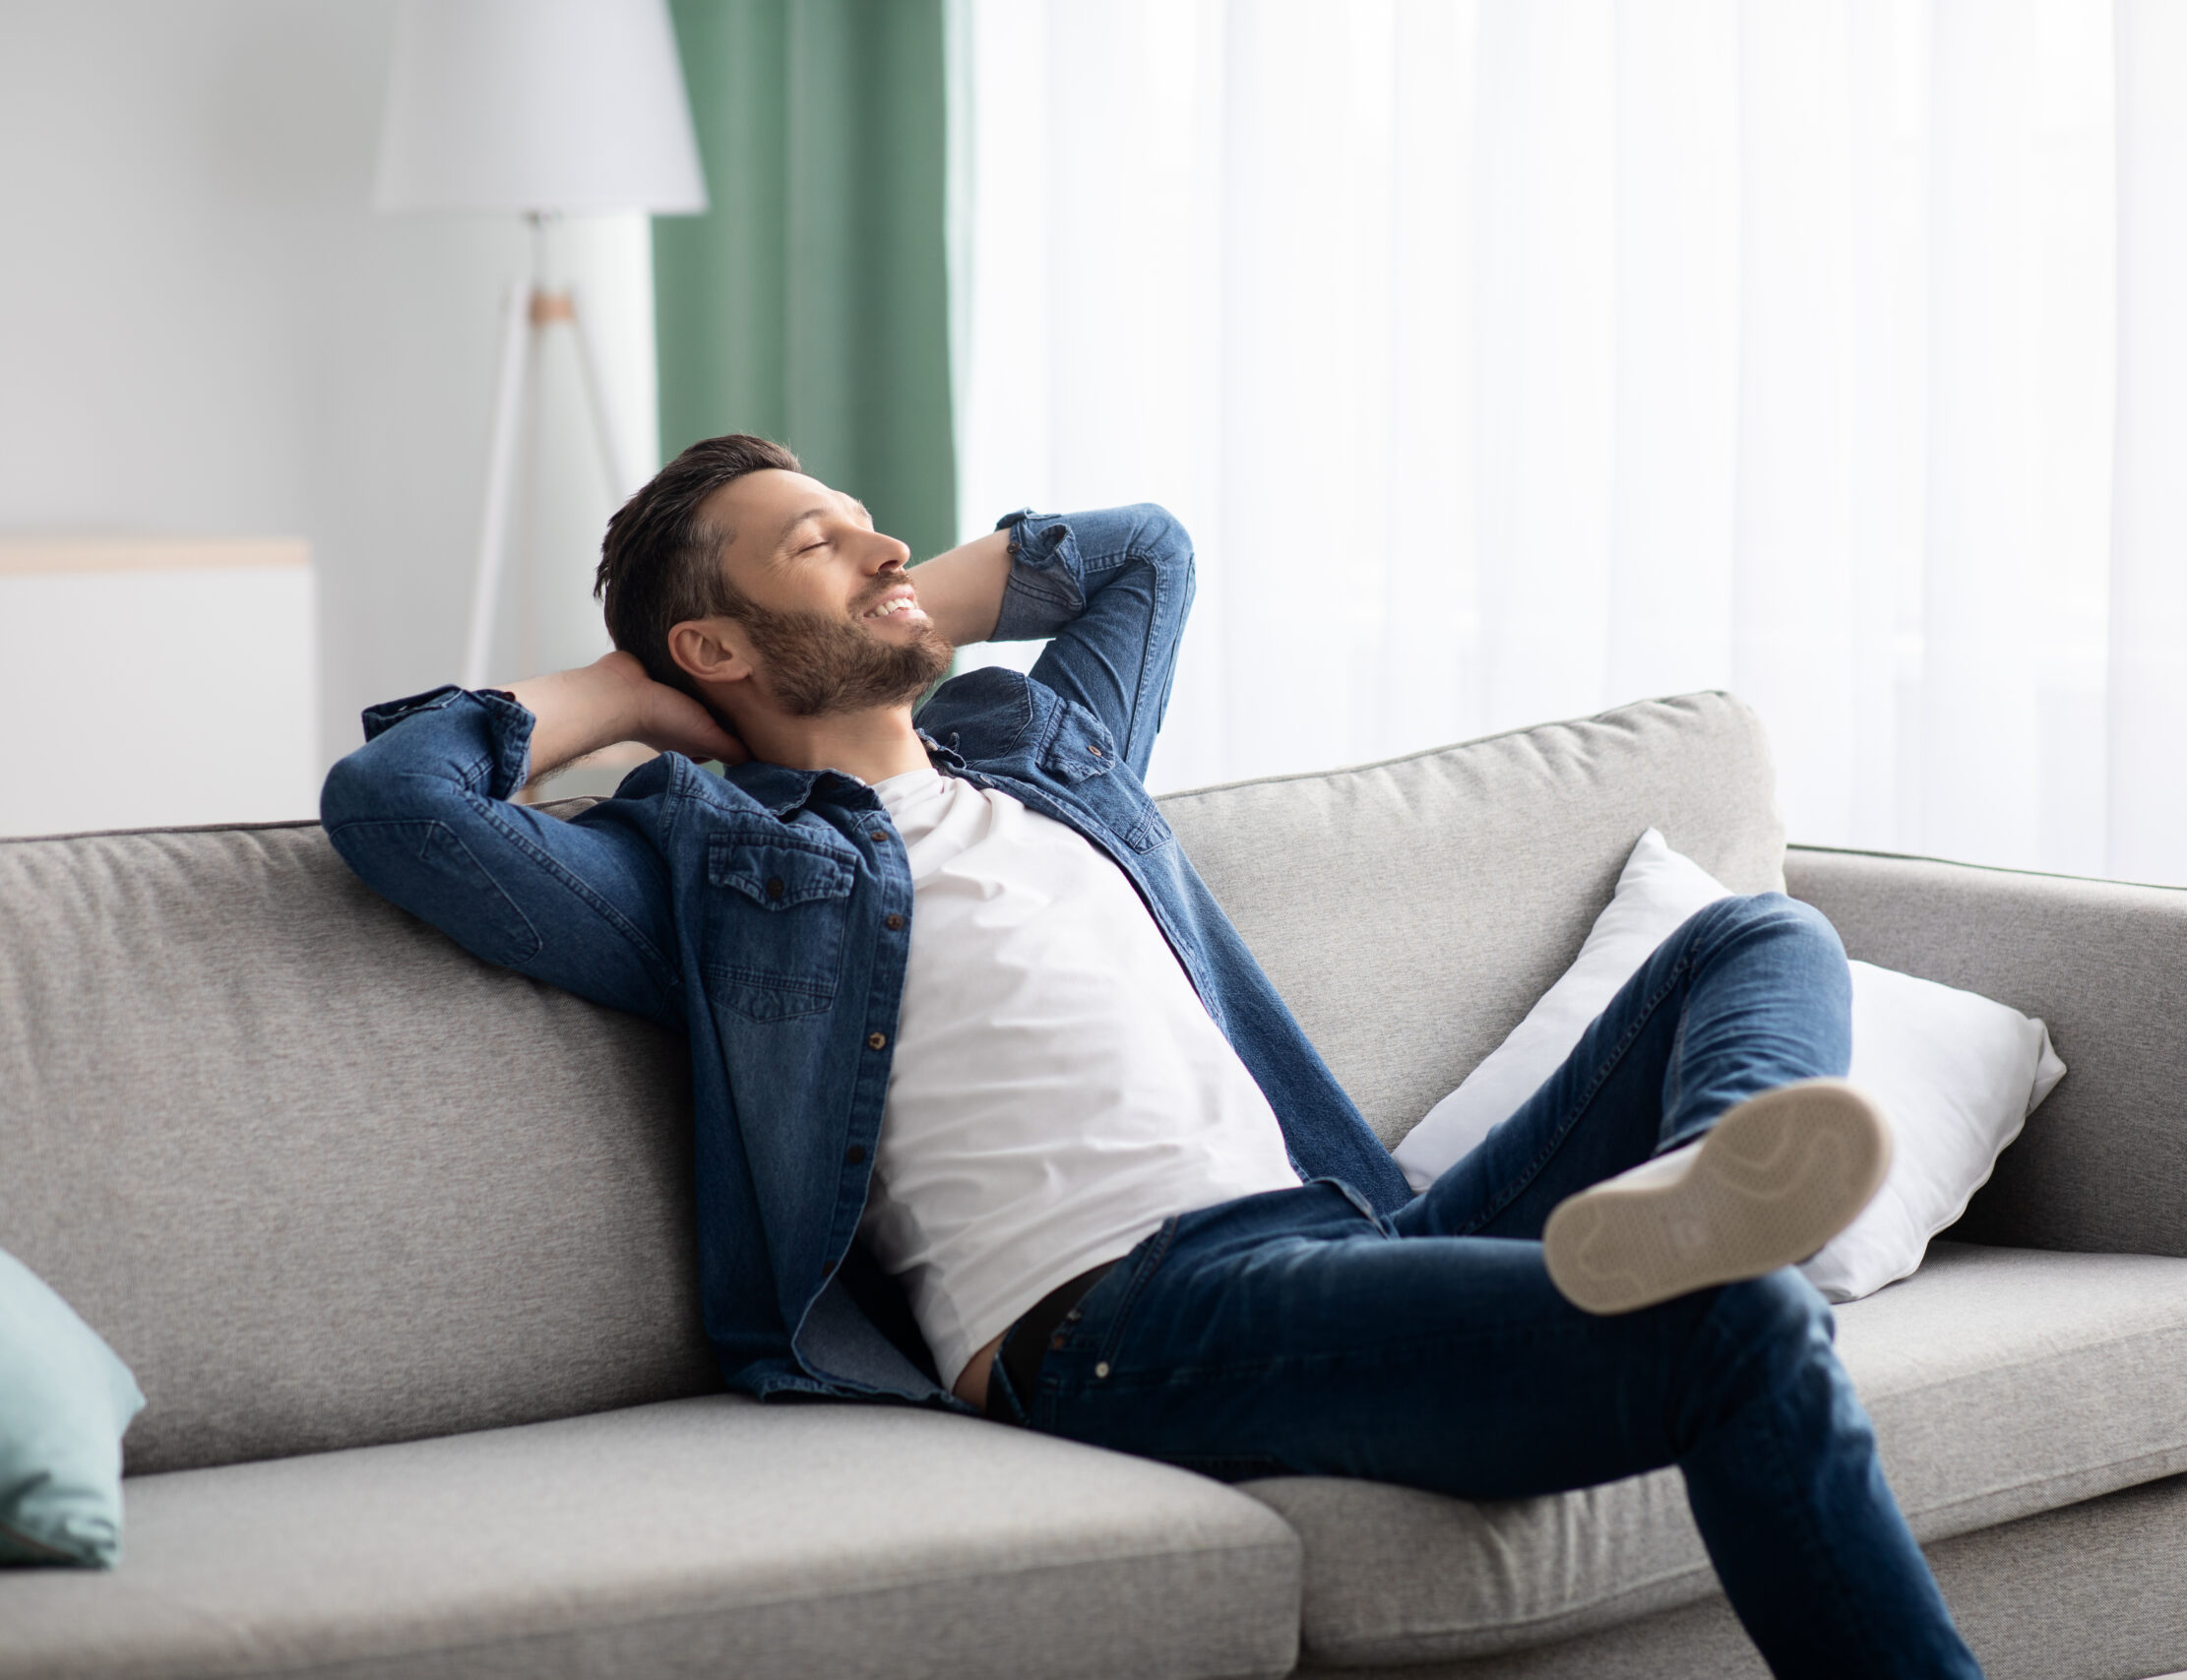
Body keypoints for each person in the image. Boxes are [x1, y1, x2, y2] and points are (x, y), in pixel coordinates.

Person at [321, 433, 1983, 1678]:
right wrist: (630, 689)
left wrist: (880, 596)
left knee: (1759, 937)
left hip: (1351, 1232)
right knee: (1745, 1332)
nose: (889, 542)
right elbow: (398, 809)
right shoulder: (717, 876)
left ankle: (1710, 1182)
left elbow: (1142, 554)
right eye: (823, 546)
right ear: (717, 650)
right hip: (1129, 1320)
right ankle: (1712, 1258)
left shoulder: (1049, 758)